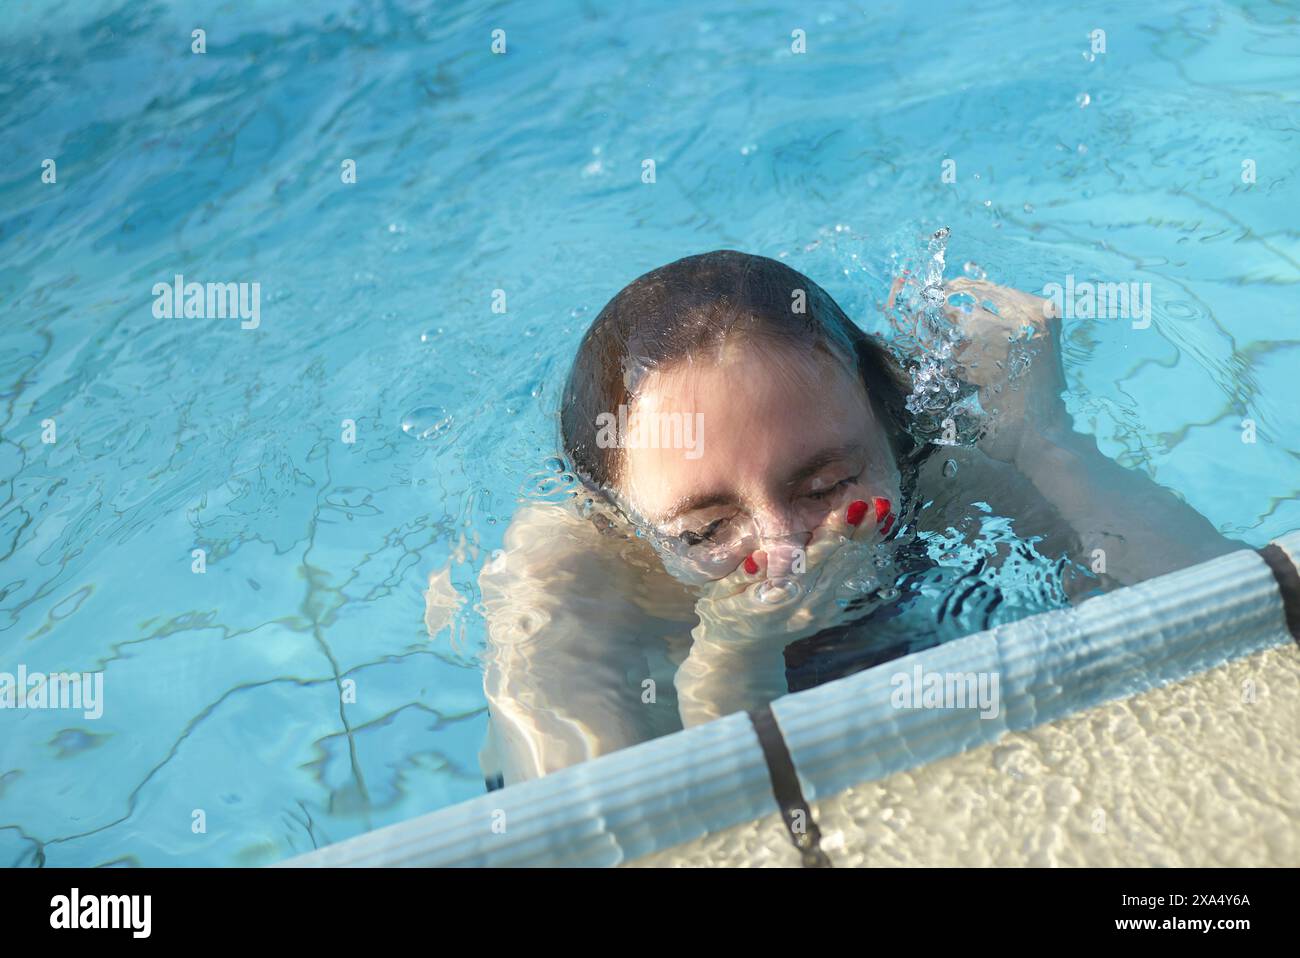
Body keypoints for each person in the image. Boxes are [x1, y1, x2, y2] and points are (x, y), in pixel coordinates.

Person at [458, 249, 1238, 786]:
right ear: (618, 526)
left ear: (892, 433)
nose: (786, 549)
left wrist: (1038, 438)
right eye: (702, 533)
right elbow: (637, 848)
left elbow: (1235, 638)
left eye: (826, 483)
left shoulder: (941, 475)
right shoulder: (572, 583)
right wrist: (733, 658)